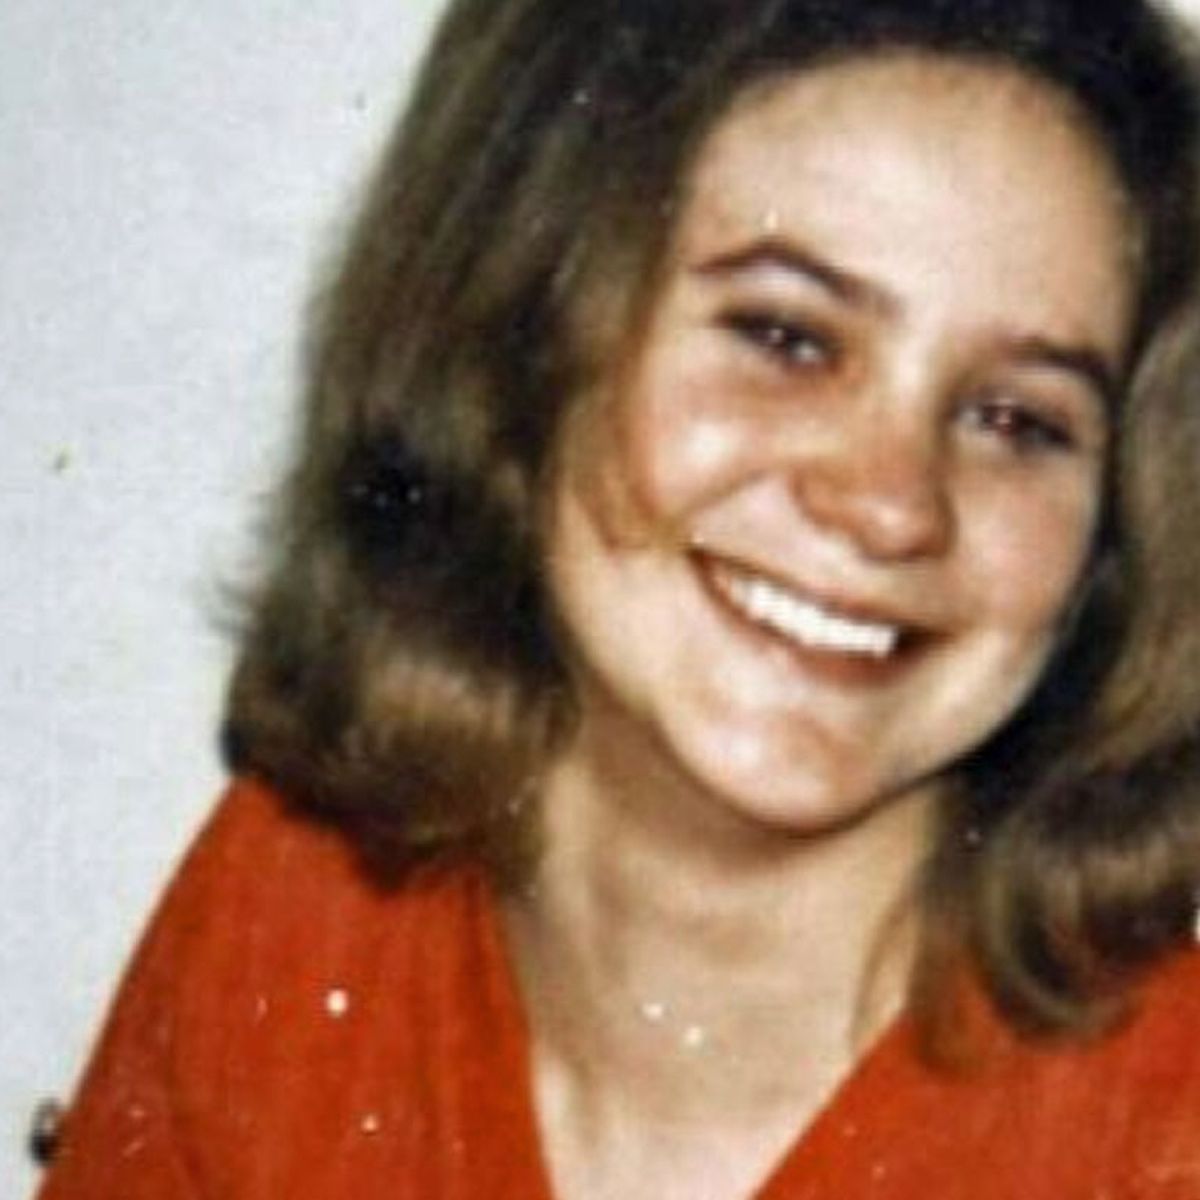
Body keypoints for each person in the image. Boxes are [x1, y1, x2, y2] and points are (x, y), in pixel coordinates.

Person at [34, 0, 1200, 1196]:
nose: (891, 505)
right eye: (787, 338)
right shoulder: (302, 910)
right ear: (519, 346)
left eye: (1017, 420)